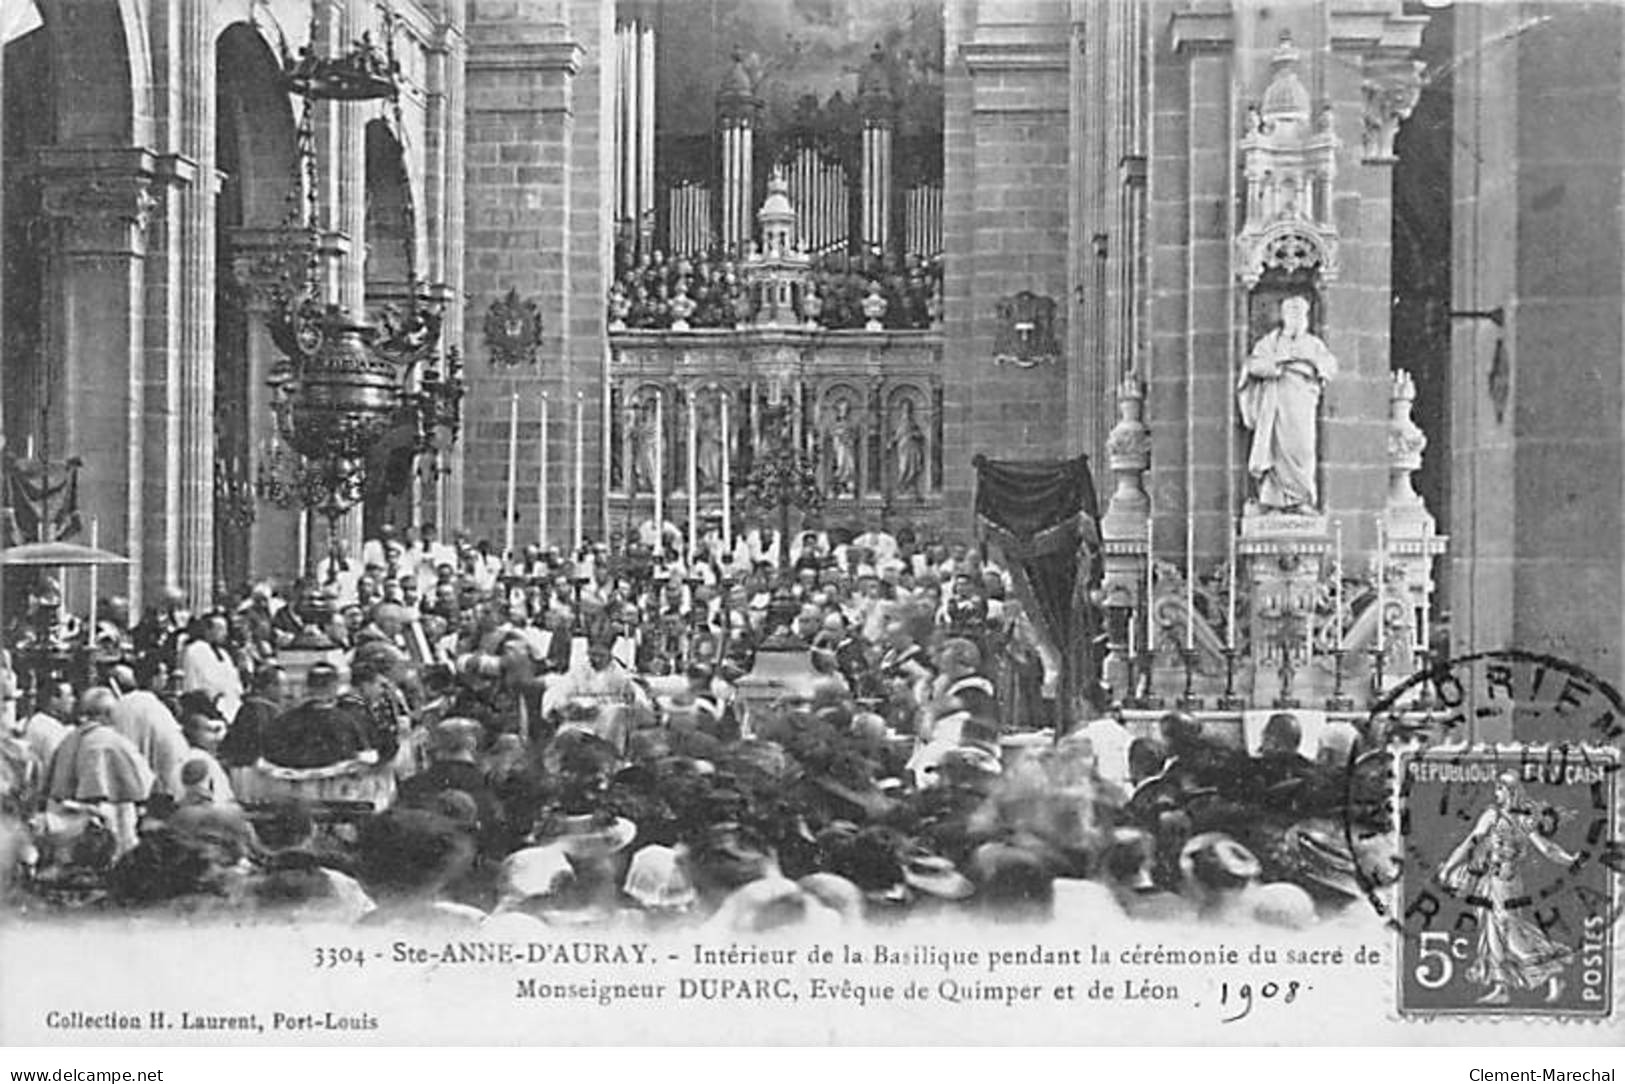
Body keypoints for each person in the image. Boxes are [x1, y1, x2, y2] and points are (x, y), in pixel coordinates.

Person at [1439, 772, 1578, 1004]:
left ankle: (1552, 974)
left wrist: (1570, 860)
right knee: (1493, 932)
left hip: (1507, 883)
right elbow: (1471, 842)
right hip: (1492, 880)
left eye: (1501, 789)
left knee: (1511, 934)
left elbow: (1547, 848)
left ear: (1511, 791)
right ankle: (1501, 988)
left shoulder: (1521, 819)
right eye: (1497, 789)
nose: (1497, 793)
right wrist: (1450, 867)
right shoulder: (1493, 815)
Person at [1237, 295, 1338, 513]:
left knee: (1303, 448)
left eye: (1300, 314)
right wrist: (1277, 365)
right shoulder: (1270, 342)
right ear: (1284, 317)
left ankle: (1302, 499)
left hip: (1302, 406)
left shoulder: (1313, 344)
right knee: (1274, 450)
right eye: (1291, 314)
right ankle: (1274, 500)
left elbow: (1330, 366)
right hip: (1276, 404)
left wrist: (1310, 364)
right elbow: (1252, 365)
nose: (1296, 318)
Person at [44, 688, 156, 856]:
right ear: (108, 713)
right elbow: (143, 785)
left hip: (68, 824)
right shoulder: (113, 741)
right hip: (106, 820)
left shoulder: (67, 739)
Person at [260, 663, 376, 770]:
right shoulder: (347, 722)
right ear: (334, 687)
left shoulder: (284, 721)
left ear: (307, 687)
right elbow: (365, 757)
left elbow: (269, 756)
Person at [180, 612, 245, 722]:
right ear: (208, 630)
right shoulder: (196, 650)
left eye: (225, 629)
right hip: (209, 705)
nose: (225, 633)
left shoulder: (224, 653)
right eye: (220, 629)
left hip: (230, 703)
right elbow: (198, 681)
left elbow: (233, 679)